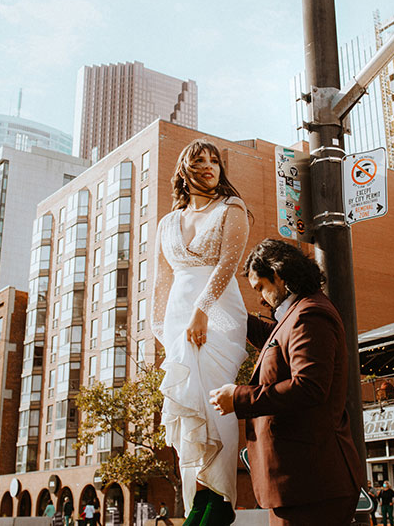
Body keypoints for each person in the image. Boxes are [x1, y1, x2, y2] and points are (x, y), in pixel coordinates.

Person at [209, 238, 363, 526]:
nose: (261, 298)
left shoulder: (310, 314)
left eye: (261, 288)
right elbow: (268, 339)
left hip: (311, 485)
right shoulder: (295, 316)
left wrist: (239, 398)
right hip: (301, 485)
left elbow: (309, 386)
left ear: (278, 276)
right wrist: (211, 305)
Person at [151, 139, 251, 526]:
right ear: (184, 169)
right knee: (185, 405)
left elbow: (229, 262)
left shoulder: (232, 208)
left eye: (214, 160)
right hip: (178, 319)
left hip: (219, 314)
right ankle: (198, 500)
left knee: (213, 401)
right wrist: (160, 330)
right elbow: (160, 281)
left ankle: (221, 500)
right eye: (200, 160)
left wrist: (202, 312)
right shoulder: (167, 222)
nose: (209, 165)